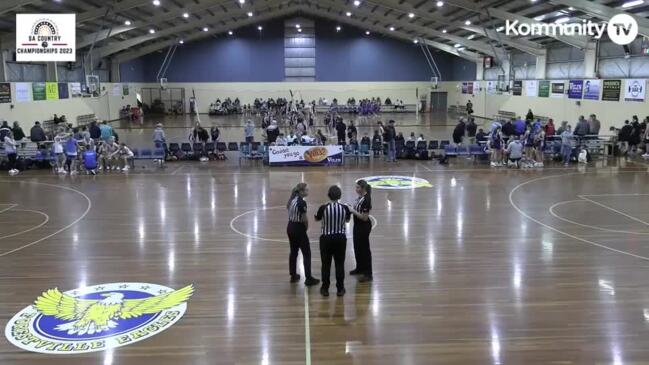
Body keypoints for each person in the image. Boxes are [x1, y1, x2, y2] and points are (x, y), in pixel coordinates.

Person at [314, 185, 351, 297]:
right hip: (340, 238)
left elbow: (317, 218)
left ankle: (325, 288)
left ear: (329, 195)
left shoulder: (323, 208)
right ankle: (340, 288)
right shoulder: (345, 208)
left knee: (326, 264)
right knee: (340, 264)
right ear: (340, 196)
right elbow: (348, 220)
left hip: (326, 239)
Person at [286, 183, 320, 287]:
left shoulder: (292, 199)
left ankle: (293, 274)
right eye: (306, 190)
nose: (307, 192)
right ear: (301, 192)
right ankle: (308, 278)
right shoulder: (302, 203)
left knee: (293, 251)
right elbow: (305, 219)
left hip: (290, 227)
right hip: (298, 228)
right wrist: (305, 228)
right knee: (307, 253)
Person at [347, 180, 373, 282]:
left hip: (363, 226)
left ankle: (368, 273)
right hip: (357, 225)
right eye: (356, 187)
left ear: (363, 188)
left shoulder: (366, 199)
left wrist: (352, 210)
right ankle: (359, 268)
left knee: (364, 250)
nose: (356, 189)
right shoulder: (360, 198)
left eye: (358, 187)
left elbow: (365, 218)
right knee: (357, 248)